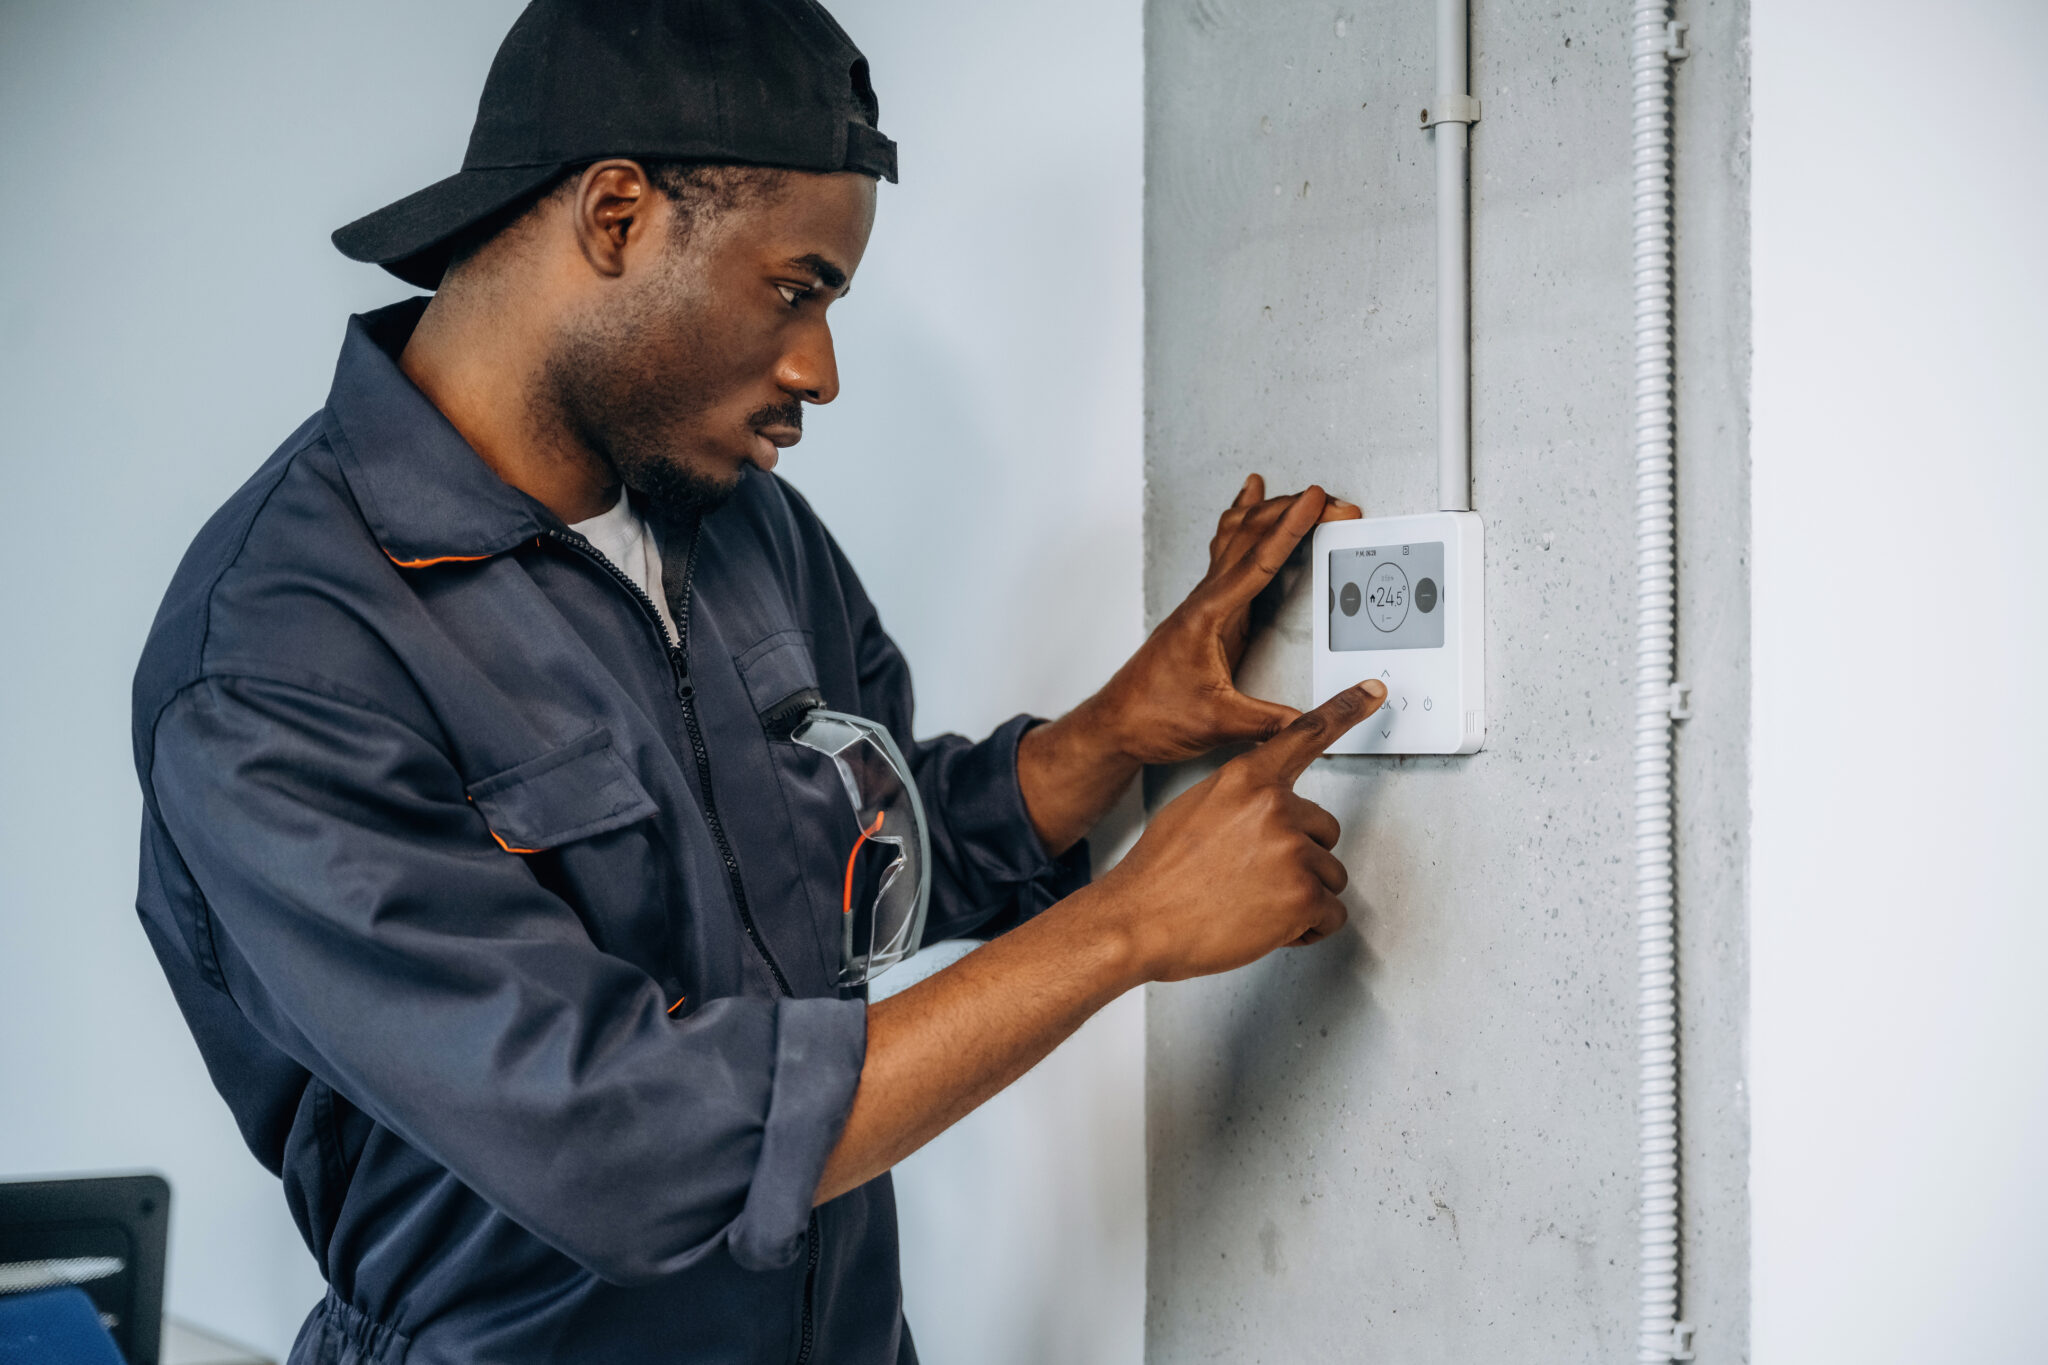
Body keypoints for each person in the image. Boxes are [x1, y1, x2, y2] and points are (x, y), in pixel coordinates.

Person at [130, 2, 1387, 1362]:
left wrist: (1116, 729)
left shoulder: (735, 521)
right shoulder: (278, 658)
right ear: (615, 218)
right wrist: (1127, 928)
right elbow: (620, 1137)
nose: (818, 371)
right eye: (798, 288)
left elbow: (868, 859)